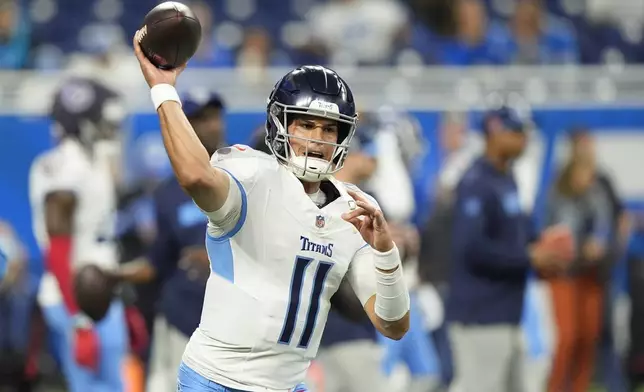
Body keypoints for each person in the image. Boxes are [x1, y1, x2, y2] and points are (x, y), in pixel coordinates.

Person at [133, 30, 411, 392]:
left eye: (329, 129)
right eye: (306, 125)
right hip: (217, 380)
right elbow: (194, 174)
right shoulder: (252, 177)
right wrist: (163, 89)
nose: (317, 139)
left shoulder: (353, 208)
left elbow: (393, 325)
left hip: (286, 385)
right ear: (281, 124)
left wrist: (386, 253)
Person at [446, 106, 574, 392]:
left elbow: (521, 237)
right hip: (479, 315)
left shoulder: (508, 178)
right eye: (516, 133)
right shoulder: (476, 182)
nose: (523, 140)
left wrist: (544, 246)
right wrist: (530, 256)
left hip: (506, 312)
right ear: (495, 132)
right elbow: (471, 248)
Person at [115, 92, 227, 392]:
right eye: (202, 119)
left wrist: (218, 254)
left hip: (233, 320)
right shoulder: (168, 192)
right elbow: (158, 260)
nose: (213, 125)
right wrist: (117, 274)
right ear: (185, 127)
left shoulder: (244, 175)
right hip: (183, 317)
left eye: (215, 116)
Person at [28, 77, 128, 392]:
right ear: (82, 122)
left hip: (95, 293)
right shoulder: (68, 168)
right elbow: (58, 248)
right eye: (102, 121)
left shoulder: (86, 160)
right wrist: (79, 319)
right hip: (80, 299)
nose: (109, 130)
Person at [545, 155, 614, 392]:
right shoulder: (558, 197)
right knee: (566, 338)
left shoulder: (596, 196)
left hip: (590, 275)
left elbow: (605, 228)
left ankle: (579, 387)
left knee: (588, 336)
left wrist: (598, 243)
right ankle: (556, 387)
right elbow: (552, 233)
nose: (587, 179)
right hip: (564, 274)